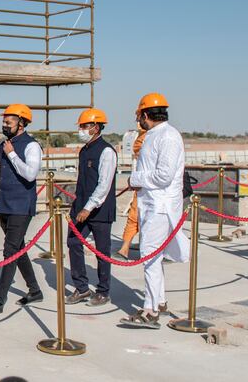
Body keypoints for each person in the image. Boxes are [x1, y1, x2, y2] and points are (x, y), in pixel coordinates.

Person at [120, 92, 189, 329]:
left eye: (140, 115)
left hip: (160, 206)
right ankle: (159, 300)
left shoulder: (168, 136)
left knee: (149, 255)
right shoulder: (153, 135)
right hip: (150, 204)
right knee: (154, 257)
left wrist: (136, 178)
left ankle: (149, 310)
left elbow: (164, 175)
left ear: (146, 114)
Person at [0, 104, 43, 314]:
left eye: (9, 122)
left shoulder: (31, 146)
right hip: (5, 203)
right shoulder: (5, 144)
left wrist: (13, 155)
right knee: (17, 248)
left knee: (10, 251)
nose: (4, 125)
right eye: (4, 122)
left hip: (22, 205)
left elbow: (30, 175)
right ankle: (34, 290)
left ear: (21, 123)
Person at [65, 108, 117, 307]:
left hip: (99, 210)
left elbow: (104, 185)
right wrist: (79, 206)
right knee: (73, 243)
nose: (81, 130)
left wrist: (89, 207)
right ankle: (82, 287)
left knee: (102, 251)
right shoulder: (84, 150)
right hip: (81, 207)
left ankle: (103, 291)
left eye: (84, 126)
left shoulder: (106, 151)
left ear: (95, 127)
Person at [114, 125, 147, 261]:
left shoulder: (151, 138)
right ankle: (125, 248)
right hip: (140, 185)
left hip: (148, 187)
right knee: (134, 216)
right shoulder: (142, 138)